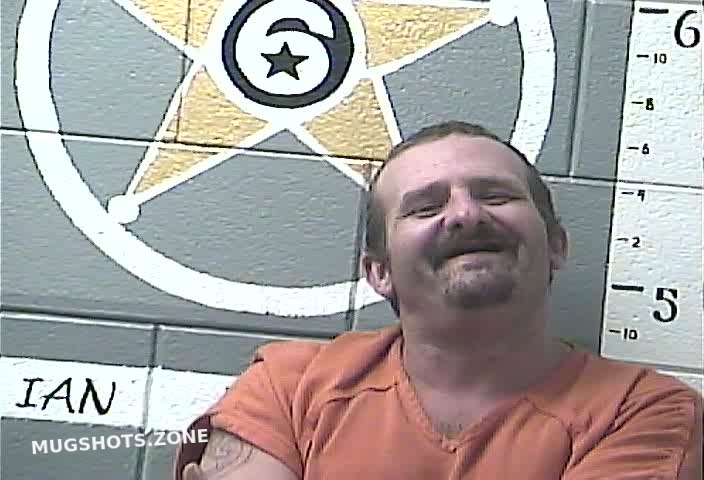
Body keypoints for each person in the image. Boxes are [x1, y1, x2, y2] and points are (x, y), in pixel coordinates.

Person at [173, 121, 703, 479]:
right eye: (425, 207)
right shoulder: (286, 388)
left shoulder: (643, 412)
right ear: (379, 272)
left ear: (556, 245)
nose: (466, 215)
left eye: (496, 195)